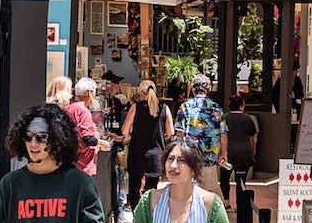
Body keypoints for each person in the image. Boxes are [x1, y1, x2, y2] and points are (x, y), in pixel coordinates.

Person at [121, 77, 173, 206]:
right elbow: (171, 132)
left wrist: (130, 135)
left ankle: (136, 219)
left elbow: (124, 130)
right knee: (151, 191)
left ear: (140, 93)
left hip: (137, 154)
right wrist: (162, 137)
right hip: (156, 155)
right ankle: (149, 220)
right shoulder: (164, 108)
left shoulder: (136, 107)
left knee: (134, 189)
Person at [177, 73, 226, 194]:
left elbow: (179, 133)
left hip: (190, 158)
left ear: (193, 89)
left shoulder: (185, 107)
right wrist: (224, 153)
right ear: (208, 89)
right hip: (210, 158)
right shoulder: (216, 108)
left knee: (190, 192)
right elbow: (223, 134)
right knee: (211, 191)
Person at [69, 76, 112, 179]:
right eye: (94, 93)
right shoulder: (83, 111)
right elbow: (88, 138)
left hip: (70, 162)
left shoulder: (70, 108)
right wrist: (102, 143)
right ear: (89, 93)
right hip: (82, 165)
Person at [223, 91, 259, 207]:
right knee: (241, 180)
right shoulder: (248, 119)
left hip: (227, 153)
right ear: (241, 106)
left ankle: (226, 201)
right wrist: (253, 148)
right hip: (244, 152)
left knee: (224, 178)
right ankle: (240, 204)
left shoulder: (224, 118)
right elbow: (254, 136)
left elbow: (219, 135)